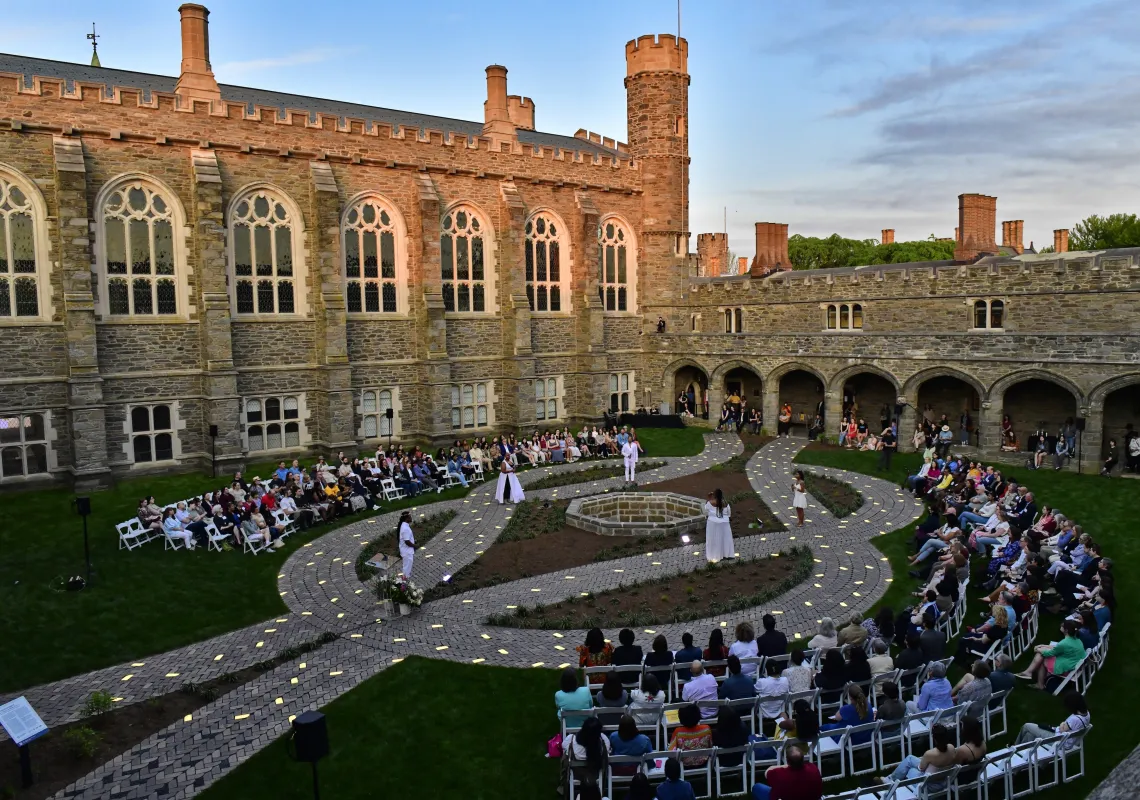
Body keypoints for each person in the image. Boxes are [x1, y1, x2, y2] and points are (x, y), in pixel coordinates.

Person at [1015, 620, 1085, 689]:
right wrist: (1043, 646)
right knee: (1043, 651)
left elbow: (1049, 653)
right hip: (1072, 663)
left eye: (1062, 626)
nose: (1060, 626)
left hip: (1066, 668)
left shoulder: (1064, 643)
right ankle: (1029, 673)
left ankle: (1037, 682)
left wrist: (1038, 649)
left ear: (1066, 630)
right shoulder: (1077, 640)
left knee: (1042, 655)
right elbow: (1058, 648)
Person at [1014, 690, 1091, 745]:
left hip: (1058, 740)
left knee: (1027, 726)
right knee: (1029, 735)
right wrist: (1064, 725)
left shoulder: (1075, 719)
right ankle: (1023, 756)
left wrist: (1062, 724)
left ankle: (1014, 747)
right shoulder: (1086, 713)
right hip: (1065, 740)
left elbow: (1062, 729)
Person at [885, 723, 956, 782]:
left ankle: (890, 780)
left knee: (910, 769)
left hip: (928, 785)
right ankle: (891, 777)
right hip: (944, 781)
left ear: (934, 737)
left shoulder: (930, 754)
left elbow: (921, 768)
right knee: (910, 759)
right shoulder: (952, 748)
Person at [752, 743, 823, 800]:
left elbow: (767, 772)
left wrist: (785, 766)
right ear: (803, 759)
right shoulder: (813, 769)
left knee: (756, 787)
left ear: (788, 760)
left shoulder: (779, 775)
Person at [562, 717, 610, 789]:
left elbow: (563, 746)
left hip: (577, 776)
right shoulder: (604, 742)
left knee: (565, 755)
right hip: (596, 776)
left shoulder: (570, 741)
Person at [754, 660, 790, 735]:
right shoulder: (785, 680)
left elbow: (755, 690)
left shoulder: (762, 682)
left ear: (766, 671)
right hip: (779, 712)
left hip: (764, 713)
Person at [703, 488, 734, 563]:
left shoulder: (710, 503)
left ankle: (714, 555)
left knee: (713, 539)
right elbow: (729, 514)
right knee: (725, 539)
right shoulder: (726, 503)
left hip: (713, 523)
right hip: (724, 523)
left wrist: (709, 498)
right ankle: (726, 554)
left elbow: (705, 511)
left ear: (714, 495)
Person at [397, 510, 416, 578]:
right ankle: (404, 583)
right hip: (407, 551)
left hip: (407, 550)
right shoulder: (405, 528)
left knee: (407, 566)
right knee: (406, 568)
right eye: (410, 517)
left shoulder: (404, 526)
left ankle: (406, 578)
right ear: (406, 518)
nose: (411, 518)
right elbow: (407, 542)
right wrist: (415, 546)